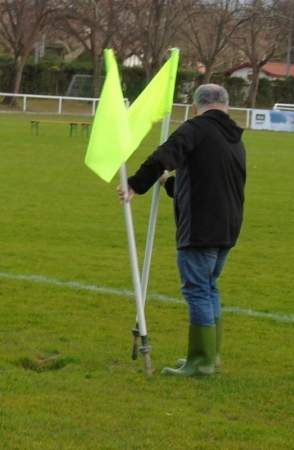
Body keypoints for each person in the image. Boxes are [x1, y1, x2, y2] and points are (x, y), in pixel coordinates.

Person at [117, 84, 246, 377]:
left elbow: (165, 154)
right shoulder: (234, 138)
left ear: (195, 106)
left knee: (197, 289)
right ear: (226, 105)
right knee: (209, 287)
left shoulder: (197, 128)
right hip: (227, 226)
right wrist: (167, 183)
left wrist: (136, 184)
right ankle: (210, 356)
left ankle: (199, 362)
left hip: (201, 228)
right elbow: (209, 186)